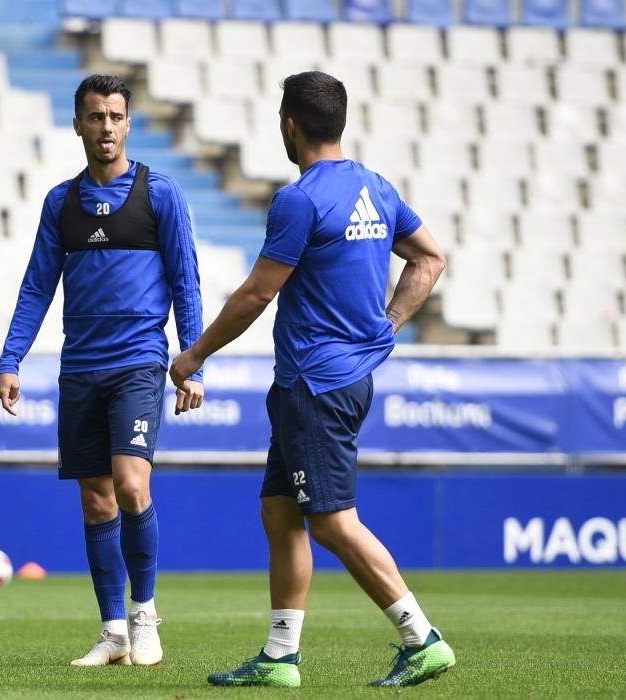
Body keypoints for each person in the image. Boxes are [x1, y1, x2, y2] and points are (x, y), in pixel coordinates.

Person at [169, 71, 454, 688]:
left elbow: (255, 295)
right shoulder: (376, 189)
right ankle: (279, 657)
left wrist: (193, 357)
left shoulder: (300, 199)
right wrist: (390, 322)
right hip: (335, 378)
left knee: (330, 519)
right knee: (280, 510)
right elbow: (431, 257)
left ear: (290, 124)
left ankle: (421, 637)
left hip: (315, 384)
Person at [0, 74, 204, 667]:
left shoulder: (159, 195)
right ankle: (112, 632)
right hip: (80, 366)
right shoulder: (60, 203)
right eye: (95, 117)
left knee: (131, 483)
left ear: (128, 124)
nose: (105, 127)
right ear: (79, 125)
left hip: (139, 360)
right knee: (95, 500)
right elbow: (37, 285)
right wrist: (11, 358)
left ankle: (144, 616)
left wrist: (190, 359)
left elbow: (187, 281)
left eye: (115, 116)